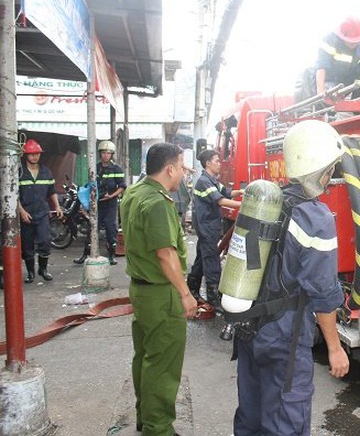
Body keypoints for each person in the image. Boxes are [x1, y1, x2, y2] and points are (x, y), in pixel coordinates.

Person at [233, 120, 349, 435]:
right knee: (287, 423)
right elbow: (323, 294)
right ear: (323, 168)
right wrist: (335, 348)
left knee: (251, 417)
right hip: (283, 335)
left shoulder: (271, 201)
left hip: (249, 327)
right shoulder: (316, 219)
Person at [120, 142, 198, 436]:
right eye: (181, 167)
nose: (182, 173)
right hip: (160, 292)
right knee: (163, 363)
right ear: (169, 169)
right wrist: (186, 294)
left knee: (146, 357)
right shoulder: (157, 203)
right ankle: (159, 428)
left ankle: (146, 418)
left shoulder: (134, 193)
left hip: (141, 290)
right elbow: (166, 255)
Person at [187, 150, 242, 310]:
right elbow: (220, 200)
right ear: (208, 163)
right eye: (217, 161)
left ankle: (192, 288)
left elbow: (226, 192)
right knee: (212, 261)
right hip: (207, 228)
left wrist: (240, 192)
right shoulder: (204, 181)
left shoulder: (212, 181)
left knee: (201, 260)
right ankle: (213, 297)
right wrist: (244, 205)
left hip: (209, 227)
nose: (220, 163)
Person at [74, 140, 127, 265]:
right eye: (103, 153)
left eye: (108, 153)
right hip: (96, 203)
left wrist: (111, 196)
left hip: (110, 204)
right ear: (100, 154)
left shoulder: (116, 169)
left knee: (111, 229)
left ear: (112, 155)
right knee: (92, 228)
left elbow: (122, 186)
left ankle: (111, 255)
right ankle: (85, 254)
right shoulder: (95, 168)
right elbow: (90, 185)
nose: (106, 155)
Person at [18, 139, 63, 283]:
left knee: (45, 241)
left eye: (37, 154)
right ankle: (30, 273)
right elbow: (13, 194)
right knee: (27, 246)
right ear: (25, 155)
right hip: (26, 214)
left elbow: (52, 191)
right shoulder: (19, 172)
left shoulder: (46, 171)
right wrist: (21, 211)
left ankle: (43, 269)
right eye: (31, 154)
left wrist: (57, 206)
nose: (34, 157)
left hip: (42, 213)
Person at [315, 16, 360, 95]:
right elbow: (321, 67)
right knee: (331, 94)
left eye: (357, 40)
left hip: (351, 83)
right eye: (351, 41)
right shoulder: (330, 41)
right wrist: (321, 93)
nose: (354, 43)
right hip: (331, 81)